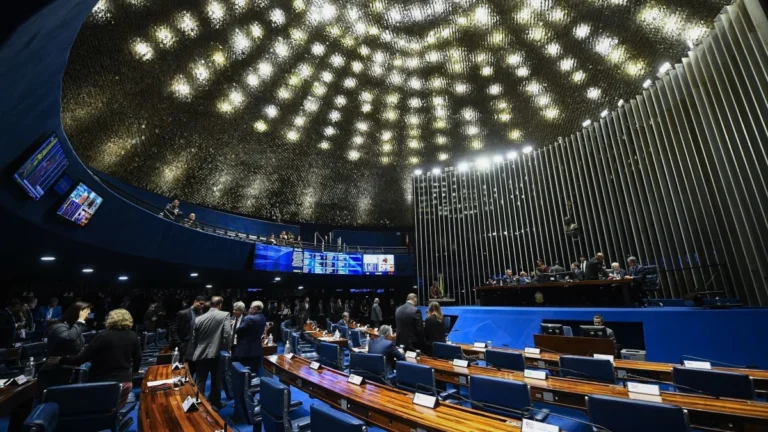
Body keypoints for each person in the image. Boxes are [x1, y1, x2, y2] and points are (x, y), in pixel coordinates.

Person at [59, 309, 141, 410]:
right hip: (125, 383)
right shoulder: (133, 335)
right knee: (115, 411)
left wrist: (61, 360)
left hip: (103, 383)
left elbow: (81, 359)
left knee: (98, 411)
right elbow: (138, 358)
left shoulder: (102, 336)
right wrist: (133, 373)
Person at [188, 296, 231, 411]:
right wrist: (227, 348)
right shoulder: (225, 315)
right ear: (220, 305)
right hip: (216, 354)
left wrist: (198, 349)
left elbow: (194, 339)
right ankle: (216, 403)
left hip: (200, 353)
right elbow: (227, 334)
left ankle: (200, 406)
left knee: (200, 380)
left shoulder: (199, 318)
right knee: (216, 380)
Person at [170, 295, 206, 375]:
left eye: (203, 304)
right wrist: (179, 343)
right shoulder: (183, 313)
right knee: (182, 368)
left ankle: (191, 385)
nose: (202, 306)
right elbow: (173, 329)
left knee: (194, 367)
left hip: (196, 345)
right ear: (195, 302)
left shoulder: (202, 314)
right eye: (200, 303)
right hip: (184, 344)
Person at [234, 301, 267, 376]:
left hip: (245, 350)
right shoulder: (263, 317)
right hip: (257, 349)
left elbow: (238, 331)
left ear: (255, 308)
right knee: (254, 373)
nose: (249, 309)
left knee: (243, 374)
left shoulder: (249, 318)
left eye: (251, 308)